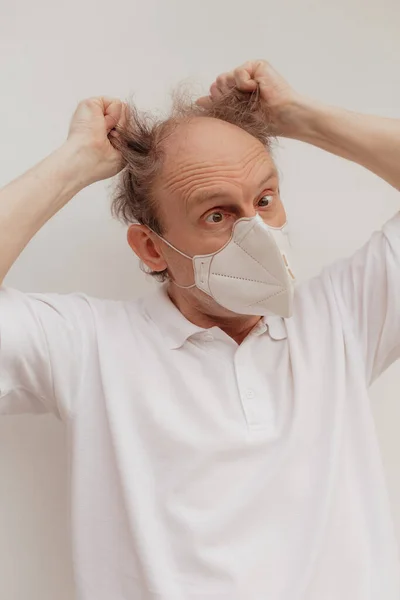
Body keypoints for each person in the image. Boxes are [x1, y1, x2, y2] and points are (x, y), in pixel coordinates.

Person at [1, 59, 399, 600]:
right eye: (217, 215)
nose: (256, 232)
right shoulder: (90, 347)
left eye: (264, 200)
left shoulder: (342, 318)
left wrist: (298, 117)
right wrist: (75, 163)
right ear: (152, 247)